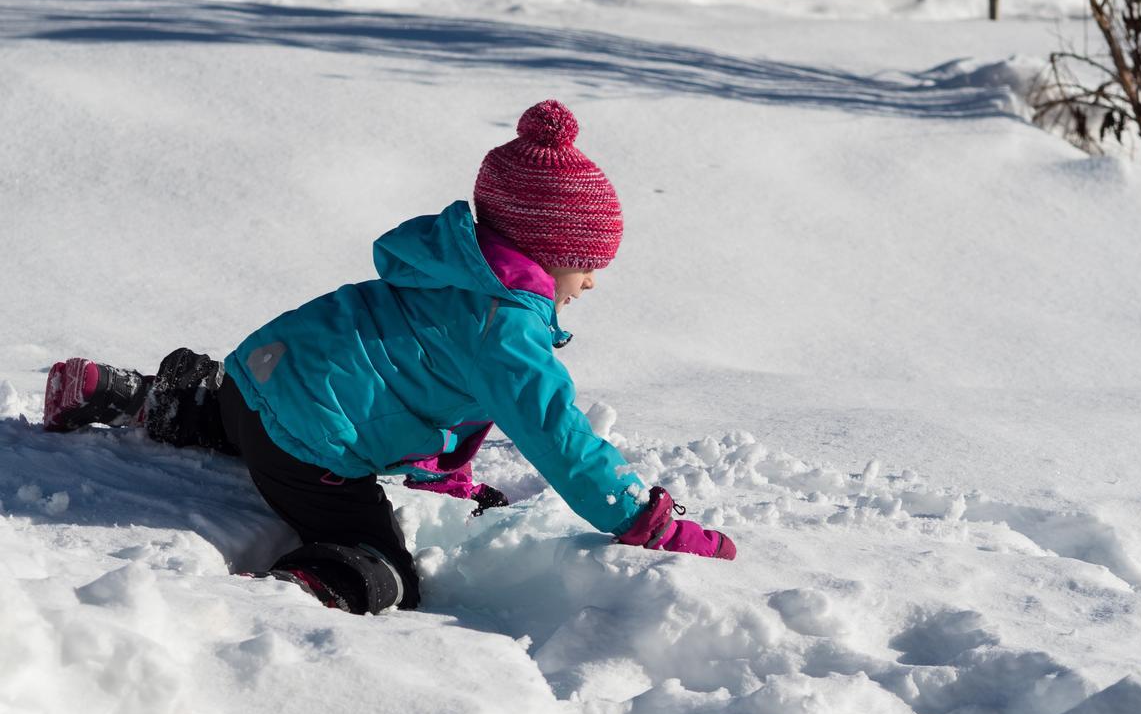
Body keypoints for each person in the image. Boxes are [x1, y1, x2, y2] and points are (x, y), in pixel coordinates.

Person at [41, 100, 736, 616]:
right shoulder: (505, 330)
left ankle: (126, 392)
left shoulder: (451, 266)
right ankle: (293, 594)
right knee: (382, 566)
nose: (592, 281)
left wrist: (445, 477)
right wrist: (644, 519)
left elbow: (411, 373)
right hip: (309, 447)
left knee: (221, 415)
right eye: (585, 264)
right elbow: (560, 438)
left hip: (262, 375)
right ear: (542, 254)